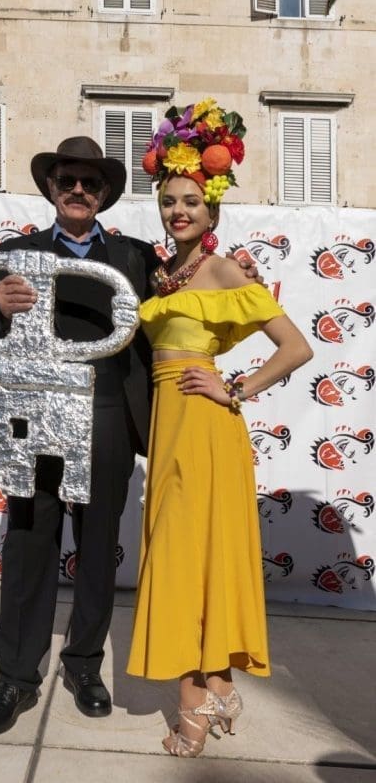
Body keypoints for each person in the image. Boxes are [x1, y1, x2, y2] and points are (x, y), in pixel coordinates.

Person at [0, 134, 260, 736]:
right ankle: (15, 677)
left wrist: (241, 276)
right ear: (51, 188)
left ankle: (83, 665)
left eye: (90, 182)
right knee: (27, 544)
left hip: (107, 417)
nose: (78, 190)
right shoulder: (16, 253)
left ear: (103, 194)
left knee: (99, 547)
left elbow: (186, 303)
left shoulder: (137, 257)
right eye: (67, 180)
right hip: (34, 419)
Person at [126, 99, 313, 758]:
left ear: (212, 212)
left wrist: (234, 388)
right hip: (169, 431)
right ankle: (221, 687)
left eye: (191, 203)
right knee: (190, 559)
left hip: (206, 430)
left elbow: (296, 347)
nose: (178, 211)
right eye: (169, 202)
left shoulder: (225, 269)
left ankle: (194, 707)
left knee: (184, 562)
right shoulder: (163, 275)